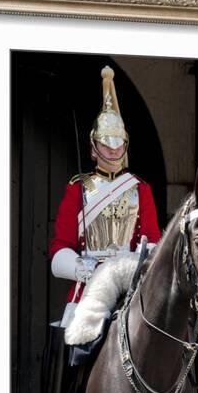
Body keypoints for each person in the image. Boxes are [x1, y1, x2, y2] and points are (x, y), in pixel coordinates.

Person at [50, 65, 161, 343]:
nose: (113, 150)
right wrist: (79, 267)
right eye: (106, 143)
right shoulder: (78, 188)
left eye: (118, 144)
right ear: (93, 147)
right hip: (88, 283)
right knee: (73, 352)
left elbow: (153, 239)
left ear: (125, 146)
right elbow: (59, 247)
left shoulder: (140, 189)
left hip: (129, 281)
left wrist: (138, 265)